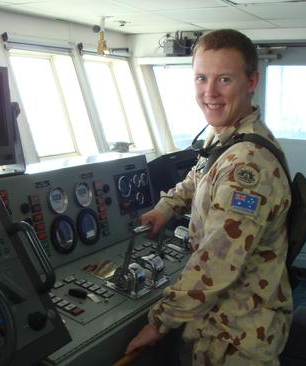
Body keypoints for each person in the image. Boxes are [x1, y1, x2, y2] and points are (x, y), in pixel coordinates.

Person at [125, 29, 293, 365]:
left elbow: (216, 261)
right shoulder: (230, 138)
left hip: (236, 340)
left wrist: (159, 322)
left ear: (251, 82)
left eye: (224, 79)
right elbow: (199, 175)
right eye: (201, 78)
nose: (209, 92)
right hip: (219, 324)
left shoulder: (247, 166)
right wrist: (165, 207)